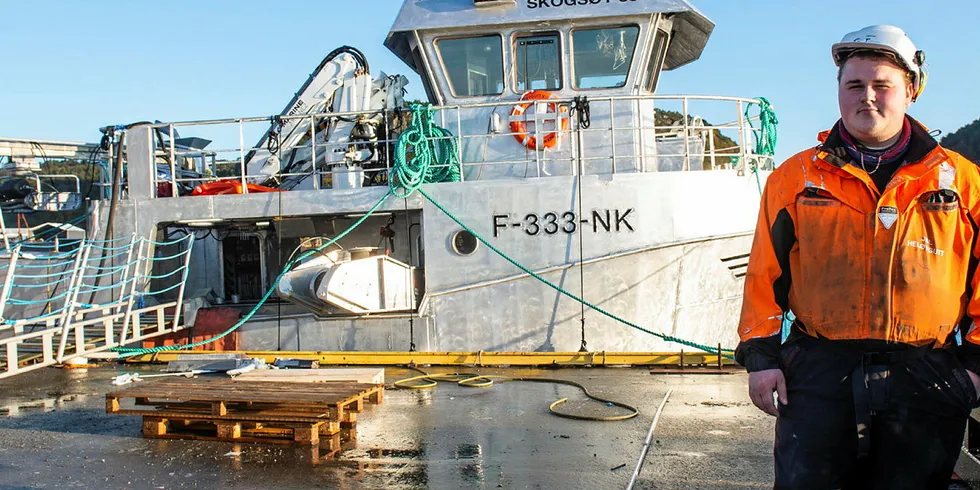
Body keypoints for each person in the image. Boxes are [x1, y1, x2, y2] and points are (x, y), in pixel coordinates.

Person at [735, 25, 980, 489]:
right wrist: (762, 359)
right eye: (854, 85)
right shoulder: (796, 178)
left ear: (910, 91)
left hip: (927, 373)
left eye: (882, 85)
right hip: (819, 371)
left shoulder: (962, 182)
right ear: (839, 93)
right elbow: (765, 275)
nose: (867, 97)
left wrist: (975, 368)